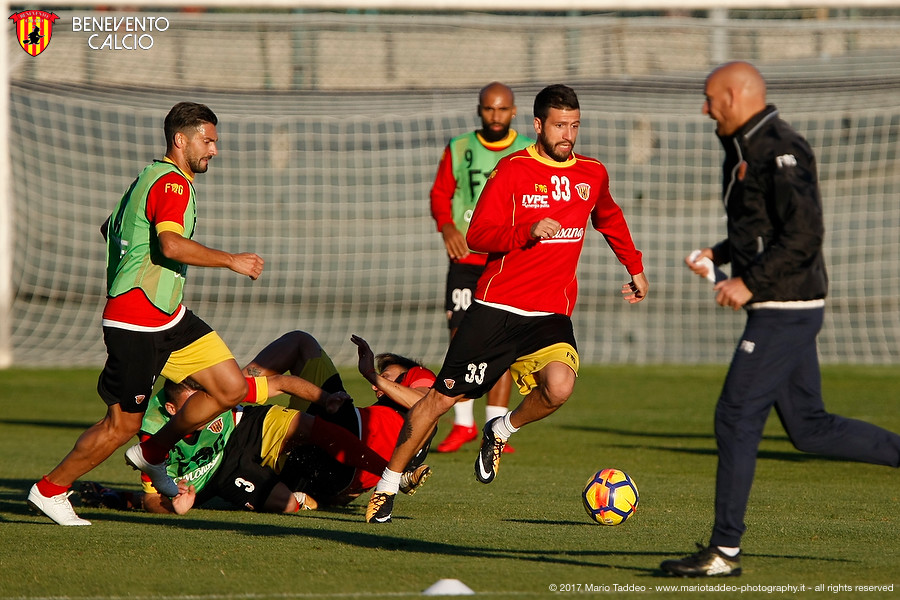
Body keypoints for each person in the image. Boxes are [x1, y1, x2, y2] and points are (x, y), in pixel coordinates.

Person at [366, 84, 649, 523]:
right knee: (440, 398)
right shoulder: (513, 169)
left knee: (560, 387)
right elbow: (477, 234)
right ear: (538, 125)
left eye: (574, 126)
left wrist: (634, 266)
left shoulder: (592, 172)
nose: (567, 135)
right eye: (559, 126)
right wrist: (527, 231)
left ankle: (501, 428)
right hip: (498, 308)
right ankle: (387, 484)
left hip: (550, 313)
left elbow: (608, 216)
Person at [661, 61, 900, 578]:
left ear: (734, 94)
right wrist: (721, 254)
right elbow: (762, 228)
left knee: (735, 416)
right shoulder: (745, 147)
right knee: (810, 429)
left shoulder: (780, 148)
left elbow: (804, 234)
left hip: (784, 309)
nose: (704, 109)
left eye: (709, 98)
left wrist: (749, 282)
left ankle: (723, 552)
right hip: (781, 305)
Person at [27, 102, 265, 526]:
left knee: (230, 387)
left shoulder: (148, 178)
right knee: (120, 425)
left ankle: (153, 453)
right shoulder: (172, 184)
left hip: (168, 317)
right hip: (136, 321)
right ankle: (50, 489)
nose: (214, 149)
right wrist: (232, 260)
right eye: (207, 141)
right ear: (181, 140)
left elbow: (111, 228)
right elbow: (170, 245)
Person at [81, 331, 434, 515]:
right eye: (377, 380)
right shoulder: (154, 429)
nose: (375, 385)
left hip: (348, 453)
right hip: (332, 466)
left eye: (387, 377)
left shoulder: (420, 382)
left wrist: (374, 375)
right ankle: (238, 390)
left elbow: (431, 404)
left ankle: (237, 389)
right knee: (283, 501)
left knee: (299, 354)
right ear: (172, 409)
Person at [430, 82, 534, 454]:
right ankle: (463, 425)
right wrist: (446, 226)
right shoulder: (460, 147)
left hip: (505, 259)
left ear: (514, 111)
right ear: (479, 110)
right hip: (466, 258)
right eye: (489, 109)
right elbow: (440, 194)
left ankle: (495, 427)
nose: (495, 116)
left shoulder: (528, 150)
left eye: (502, 109)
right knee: (460, 337)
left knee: (502, 340)